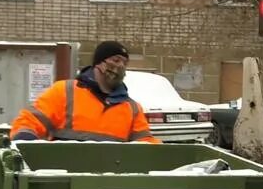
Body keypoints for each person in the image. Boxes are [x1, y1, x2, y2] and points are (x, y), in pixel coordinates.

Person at [10, 40, 160, 143]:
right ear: (99, 63)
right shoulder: (64, 91)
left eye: (124, 63)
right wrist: (24, 141)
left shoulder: (131, 109)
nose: (120, 66)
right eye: (116, 60)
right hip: (64, 179)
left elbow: (145, 143)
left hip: (110, 182)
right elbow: (30, 121)